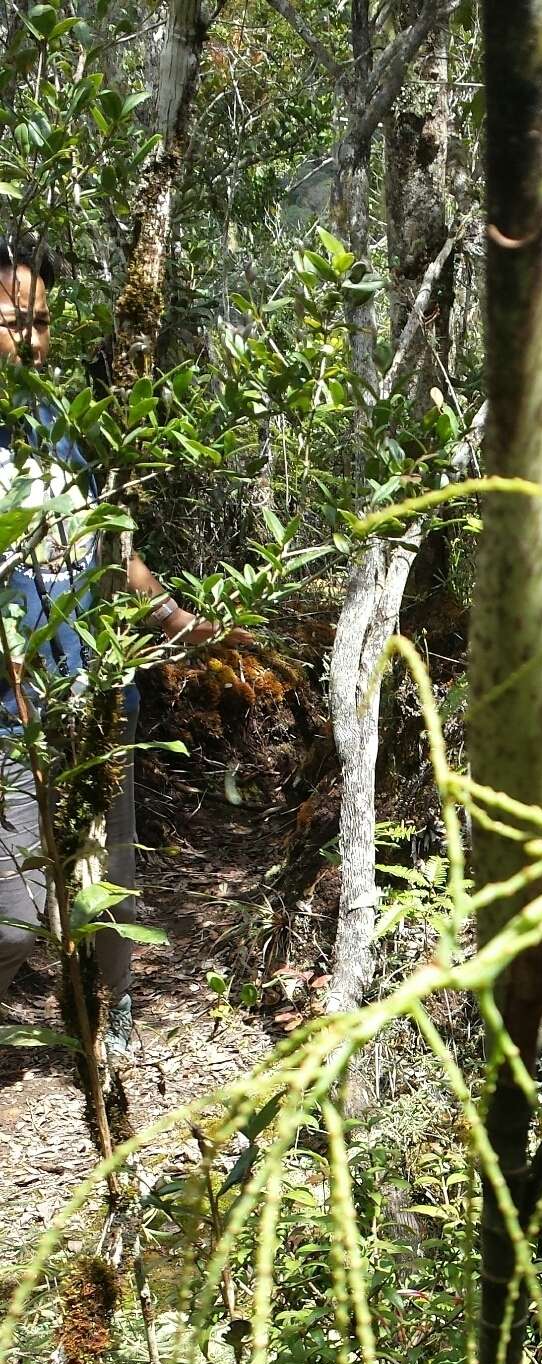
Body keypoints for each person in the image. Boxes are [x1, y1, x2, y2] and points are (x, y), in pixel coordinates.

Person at [0, 233, 250, 1059]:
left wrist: (187, 625)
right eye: (11, 321)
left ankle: (113, 1026)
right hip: (16, 722)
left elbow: (116, 553)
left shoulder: (61, 424)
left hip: (100, 699)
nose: (29, 338)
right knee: (13, 912)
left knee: (112, 887)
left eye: (39, 320)